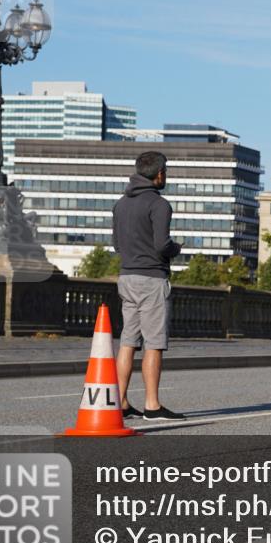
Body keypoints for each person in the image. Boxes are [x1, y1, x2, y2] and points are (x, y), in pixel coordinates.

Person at [111, 151, 186, 421]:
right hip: (152, 279)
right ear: (159, 173)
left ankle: (120, 402)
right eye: (165, 171)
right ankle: (152, 405)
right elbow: (161, 245)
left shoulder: (120, 204)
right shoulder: (159, 204)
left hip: (126, 277)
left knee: (128, 342)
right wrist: (176, 248)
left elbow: (117, 245)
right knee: (154, 343)